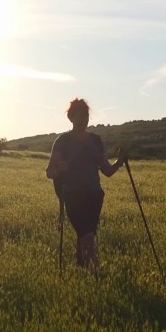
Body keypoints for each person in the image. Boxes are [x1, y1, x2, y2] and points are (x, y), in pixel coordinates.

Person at [46, 98, 126, 275]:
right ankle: (96, 272)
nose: (84, 119)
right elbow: (49, 172)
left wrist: (119, 161)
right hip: (72, 195)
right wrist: (59, 169)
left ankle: (81, 270)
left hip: (95, 195)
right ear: (71, 117)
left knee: (86, 234)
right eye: (80, 116)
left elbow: (107, 171)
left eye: (86, 116)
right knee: (87, 235)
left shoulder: (96, 141)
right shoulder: (62, 141)